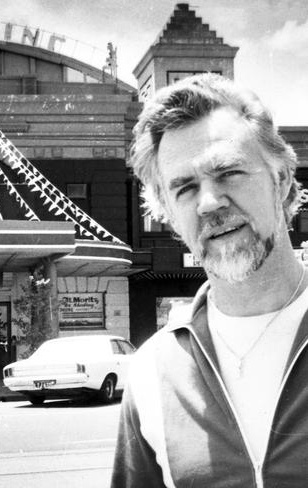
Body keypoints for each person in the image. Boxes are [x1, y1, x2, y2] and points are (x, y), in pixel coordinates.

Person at [111, 73, 308, 487]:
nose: (208, 202)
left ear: (283, 180)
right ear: (167, 213)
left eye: (229, 172)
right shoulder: (152, 371)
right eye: (184, 188)